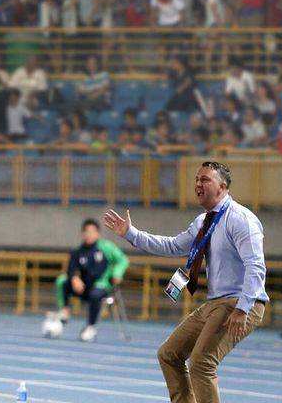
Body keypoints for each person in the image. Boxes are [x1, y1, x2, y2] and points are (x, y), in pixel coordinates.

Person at [104, 161, 268, 403]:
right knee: (169, 354)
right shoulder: (203, 221)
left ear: (223, 187)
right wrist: (131, 234)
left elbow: (256, 265)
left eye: (205, 180)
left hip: (241, 302)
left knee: (202, 363)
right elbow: (172, 245)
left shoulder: (241, 219)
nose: (198, 184)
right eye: (196, 179)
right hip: (215, 302)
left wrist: (243, 308)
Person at [54, 219, 129, 342]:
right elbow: (71, 269)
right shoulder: (78, 251)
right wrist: (74, 278)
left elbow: (123, 260)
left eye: (92, 231)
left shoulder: (106, 247)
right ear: (82, 233)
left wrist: (117, 273)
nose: (89, 234)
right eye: (86, 231)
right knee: (62, 281)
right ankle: (64, 313)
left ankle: (91, 326)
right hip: (84, 287)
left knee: (95, 293)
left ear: (98, 233)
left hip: (102, 285)